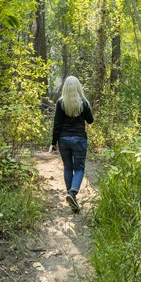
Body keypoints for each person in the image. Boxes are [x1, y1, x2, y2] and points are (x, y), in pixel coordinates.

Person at [50, 76, 94, 212]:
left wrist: (53, 143)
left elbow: (57, 124)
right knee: (79, 168)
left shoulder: (61, 102)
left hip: (63, 139)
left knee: (68, 167)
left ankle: (71, 194)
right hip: (79, 139)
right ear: (78, 87)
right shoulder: (84, 103)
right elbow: (90, 120)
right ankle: (73, 193)